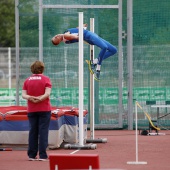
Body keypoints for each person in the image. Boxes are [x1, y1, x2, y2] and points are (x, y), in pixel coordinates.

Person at [51, 24, 117, 81]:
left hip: (91, 35)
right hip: (89, 36)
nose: (56, 35)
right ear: (58, 38)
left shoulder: (66, 35)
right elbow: (77, 37)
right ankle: (98, 69)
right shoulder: (65, 36)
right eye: (56, 37)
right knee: (104, 47)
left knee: (113, 50)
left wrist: (82, 27)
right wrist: (81, 32)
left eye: (55, 36)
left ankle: (94, 62)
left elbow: (76, 31)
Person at [22, 60, 52, 161]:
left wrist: (30, 98)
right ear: (42, 69)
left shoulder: (27, 80)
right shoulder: (46, 79)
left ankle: (31, 155)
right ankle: (43, 155)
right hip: (44, 108)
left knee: (33, 131)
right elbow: (47, 93)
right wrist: (41, 98)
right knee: (43, 131)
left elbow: (23, 95)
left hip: (32, 109)